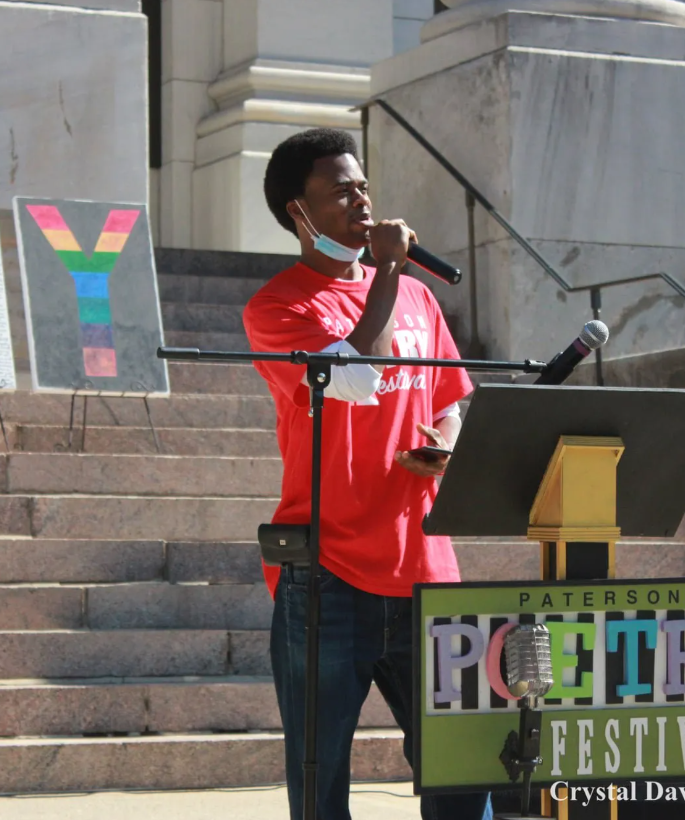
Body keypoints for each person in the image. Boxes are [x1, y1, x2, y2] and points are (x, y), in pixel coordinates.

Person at [243, 128, 492, 820]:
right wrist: (386, 269)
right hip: (328, 575)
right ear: (299, 211)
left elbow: (454, 396)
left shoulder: (418, 299)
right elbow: (355, 376)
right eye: (342, 190)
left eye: (363, 186)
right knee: (320, 785)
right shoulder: (278, 307)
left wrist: (443, 439)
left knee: (463, 770)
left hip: (427, 568)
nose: (362, 200)